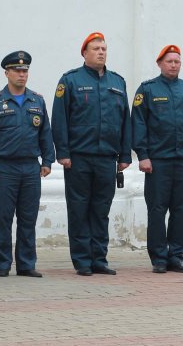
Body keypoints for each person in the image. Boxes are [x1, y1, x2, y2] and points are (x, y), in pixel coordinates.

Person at [52, 33, 131, 277]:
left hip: (107, 157)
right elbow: (59, 119)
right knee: (79, 209)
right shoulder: (70, 81)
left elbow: (125, 121)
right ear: (84, 53)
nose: (101, 52)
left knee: (101, 210)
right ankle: (82, 260)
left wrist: (125, 155)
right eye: (96, 48)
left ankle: (99, 258)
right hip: (79, 157)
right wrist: (63, 152)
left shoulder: (117, 82)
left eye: (104, 48)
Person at [132, 45, 183, 273]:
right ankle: (159, 258)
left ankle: (176, 255)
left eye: (177, 61)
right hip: (158, 161)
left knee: (182, 209)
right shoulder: (147, 90)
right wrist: (143, 155)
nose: (174, 65)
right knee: (157, 209)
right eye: (169, 61)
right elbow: (138, 124)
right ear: (160, 64)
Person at [0, 51, 55, 279]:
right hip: (4, 169)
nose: (21, 74)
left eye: (25, 71)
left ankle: (26, 264)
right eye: (17, 70)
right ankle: (3, 265)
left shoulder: (37, 100)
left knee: (28, 218)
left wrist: (47, 160)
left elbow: (45, 132)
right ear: (7, 73)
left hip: (30, 168)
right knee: (3, 219)